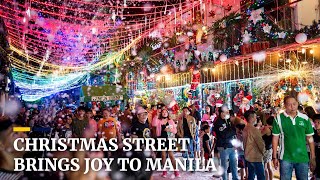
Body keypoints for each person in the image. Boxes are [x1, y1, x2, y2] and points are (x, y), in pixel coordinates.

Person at [272, 96, 316, 180]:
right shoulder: (278, 118)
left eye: (294, 104)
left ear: (297, 104)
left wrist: (312, 157)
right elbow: (275, 138)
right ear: (285, 105)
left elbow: (310, 139)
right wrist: (274, 157)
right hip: (285, 157)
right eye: (289, 104)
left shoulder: (305, 118)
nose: (292, 107)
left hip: (302, 157)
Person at [152, 108, 180, 178]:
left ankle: (176, 171)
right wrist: (156, 115)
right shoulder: (158, 120)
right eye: (163, 112)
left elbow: (175, 131)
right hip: (161, 139)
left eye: (165, 112)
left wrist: (170, 130)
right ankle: (164, 171)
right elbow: (153, 124)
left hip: (169, 140)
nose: (164, 113)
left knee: (171, 156)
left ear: (168, 114)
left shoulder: (170, 121)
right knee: (163, 156)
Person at [213, 105, 238, 180]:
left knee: (234, 165)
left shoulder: (228, 121)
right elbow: (224, 134)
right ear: (221, 113)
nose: (228, 114)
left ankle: (235, 178)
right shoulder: (218, 122)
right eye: (226, 112)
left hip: (231, 146)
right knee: (224, 166)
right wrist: (233, 131)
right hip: (223, 147)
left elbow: (232, 131)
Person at [243, 111, 266, 180]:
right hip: (256, 157)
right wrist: (263, 153)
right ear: (252, 118)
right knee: (261, 177)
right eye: (255, 117)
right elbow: (260, 144)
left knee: (251, 175)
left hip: (248, 156)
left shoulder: (245, 128)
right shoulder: (254, 130)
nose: (256, 119)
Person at [312, 114, 320, 179]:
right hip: (316, 160)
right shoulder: (313, 133)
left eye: (319, 122)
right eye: (315, 122)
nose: (316, 124)